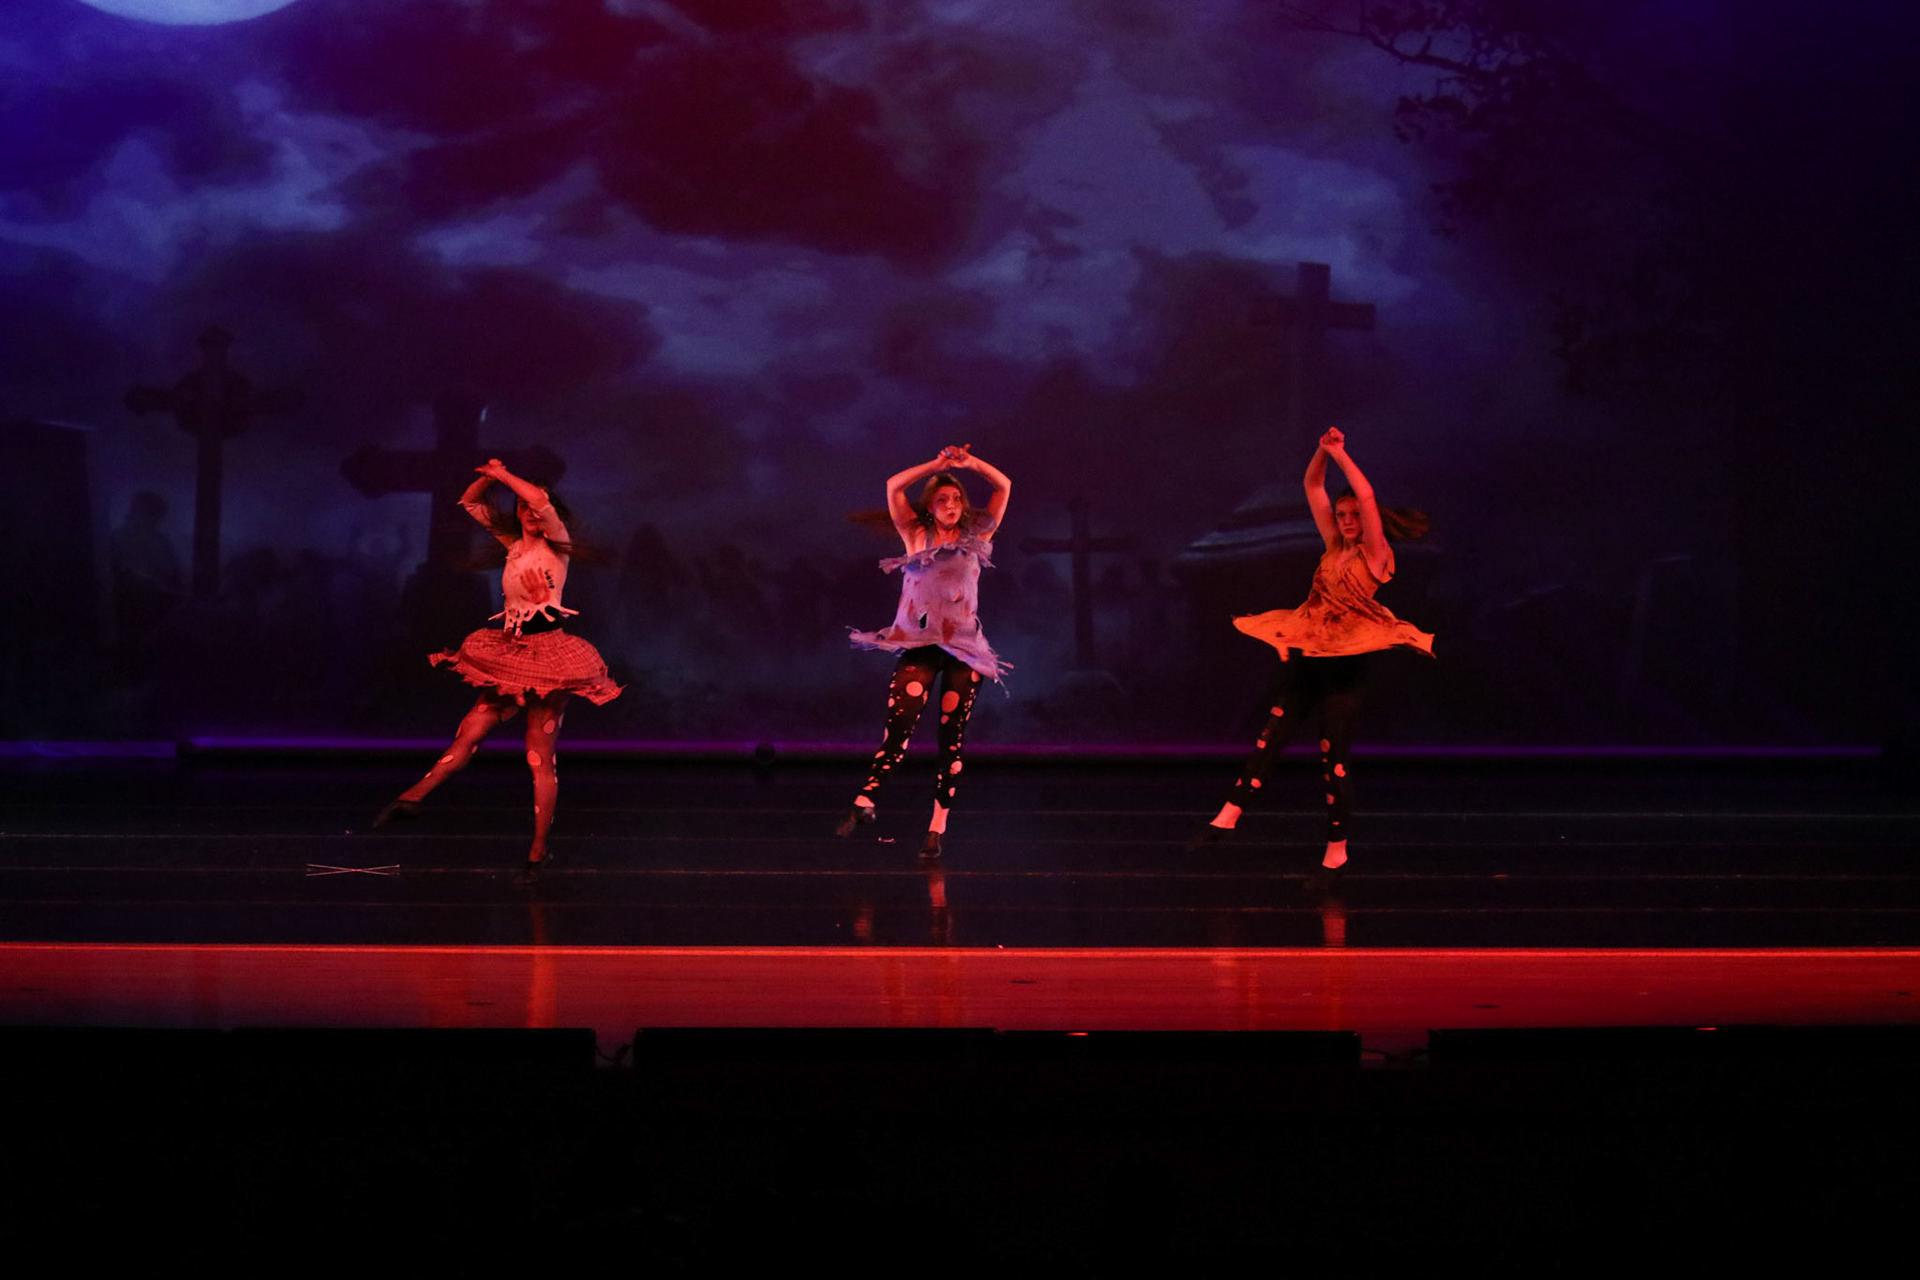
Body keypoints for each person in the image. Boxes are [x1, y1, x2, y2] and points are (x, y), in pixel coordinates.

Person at [1189, 428, 1433, 892]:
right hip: (1312, 656)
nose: (1346, 520)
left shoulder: (1377, 554)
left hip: (1346, 668)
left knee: (1332, 760)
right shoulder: (1332, 549)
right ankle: (1228, 816)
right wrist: (1321, 452)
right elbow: (1312, 487)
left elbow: (1365, 494)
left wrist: (1341, 454)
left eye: (1353, 515)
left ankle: (1336, 853)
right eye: (1341, 515)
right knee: (1271, 736)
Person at [375, 459, 621, 882]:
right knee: (470, 730)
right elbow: (471, 503)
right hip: (510, 655)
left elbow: (539, 500)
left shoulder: (555, 540)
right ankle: (412, 797)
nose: (530, 511)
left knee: (538, 756)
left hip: (548, 660)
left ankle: (539, 848)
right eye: (522, 507)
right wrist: (488, 477)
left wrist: (505, 475)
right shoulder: (514, 544)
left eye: (535, 506)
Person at [838, 445, 1012, 858]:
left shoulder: (977, 537)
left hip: (964, 652)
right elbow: (894, 486)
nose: (951, 504)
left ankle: (936, 828)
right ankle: (866, 798)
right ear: (931, 508)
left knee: (951, 739)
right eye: (942, 499)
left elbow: (1003, 486)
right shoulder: (916, 536)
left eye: (956, 499)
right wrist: (938, 465)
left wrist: (970, 464)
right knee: (900, 725)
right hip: (920, 646)